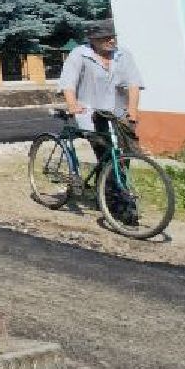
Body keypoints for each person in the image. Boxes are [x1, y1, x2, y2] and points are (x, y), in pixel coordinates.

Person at [58, 19, 145, 221]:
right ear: (93, 40)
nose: (111, 40)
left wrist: (132, 110)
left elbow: (133, 83)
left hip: (117, 113)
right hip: (90, 113)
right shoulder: (80, 54)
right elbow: (68, 83)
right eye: (106, 38)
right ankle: (117, 206)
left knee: (123, 156)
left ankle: (107, 195)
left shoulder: (123, 55)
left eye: (113, 36)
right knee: (106, 154)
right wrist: (72, 105)